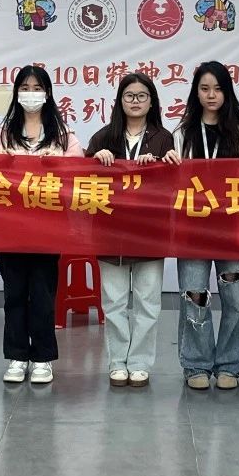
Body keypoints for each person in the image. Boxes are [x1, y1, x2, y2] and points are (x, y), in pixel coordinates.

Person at [164, 62, 239, 390]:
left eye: (218, 89)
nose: (211, 95)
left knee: (233, 299)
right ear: (196, 93)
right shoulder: (182, 132)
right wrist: (171, 164)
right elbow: (173, 183)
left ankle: (230, 365)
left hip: (232, 229)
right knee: (195, 297)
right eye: (204, 89)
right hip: (193, 230)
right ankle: (196, 365)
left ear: (227, 92)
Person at [0, 65, 84, 384]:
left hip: (48, 227)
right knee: (14, 294)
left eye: (37, 88)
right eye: (25, 88)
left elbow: (77, 174)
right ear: (17, 93)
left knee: (43, 294)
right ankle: (17, 356)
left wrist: (54, 167)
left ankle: (43, 358)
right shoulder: (4, 133)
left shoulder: (63, 134)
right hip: (11, 226)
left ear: (47, 93)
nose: (31, 94)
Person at [86, 73, 174, 387]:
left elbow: (171, 184)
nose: (135, 101)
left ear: (151, 102)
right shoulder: (103, 137)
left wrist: (160, 165)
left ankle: (139, 363)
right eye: (129, 96)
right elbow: (81, 181)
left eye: (141, 96)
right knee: (114, 303)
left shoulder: (163, 138)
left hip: (149, 233)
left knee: (148, 303)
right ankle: (117, 362)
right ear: (120, 101)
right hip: (110, 233)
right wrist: (94, 160)